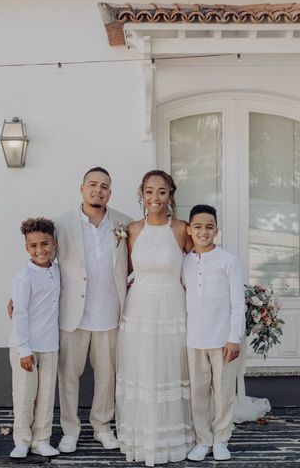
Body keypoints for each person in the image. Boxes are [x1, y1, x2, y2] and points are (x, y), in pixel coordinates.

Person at [116, 170, 194, 467]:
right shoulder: (132, 230)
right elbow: (119, 273)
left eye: (162, 192)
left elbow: (201, 265)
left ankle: (172, 438)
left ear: (170, 196)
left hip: (172, 307)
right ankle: (144, 437)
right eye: (149, 191)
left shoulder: (181, 229)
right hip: (140, 310)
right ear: (142, 195)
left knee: (170, 370)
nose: (155, 198)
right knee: (143, 370)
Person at [54, 167, 132, 453]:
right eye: (93, 185)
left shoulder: (125, 223)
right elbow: (47, 266)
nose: (98, 190)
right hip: (73, 314)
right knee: (68, 376)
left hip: (110, 313)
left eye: (104, 186)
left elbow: (136, 265)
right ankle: (70, 430)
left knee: (107, 376)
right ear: (82, 188)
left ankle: (102, 426)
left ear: (110, 192)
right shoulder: (61, 224)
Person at [182, 205, 245, 462]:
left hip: (222, 341)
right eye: (198, 226)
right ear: (189, 229)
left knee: (223, 393)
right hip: (194, 340)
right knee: (198, 394)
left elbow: (237, 302)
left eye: (209, 227)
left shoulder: (228, 261)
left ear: (216, 230)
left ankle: (221, 439)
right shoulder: (184, 262)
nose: (203, 231)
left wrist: (234, 337)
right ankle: (202, 440)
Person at [8, 217, 60, 459]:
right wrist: (24, 350)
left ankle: (42, 440)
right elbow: (19, 314)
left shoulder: (58, 270)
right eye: (34, 246)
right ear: (26, 248)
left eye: (45, 244)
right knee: (25, 395)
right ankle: (22, 440)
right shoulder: (24, 277)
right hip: (26, 347)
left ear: (54, 243)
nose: (40, 250)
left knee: (47, 396)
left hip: (50, 345)